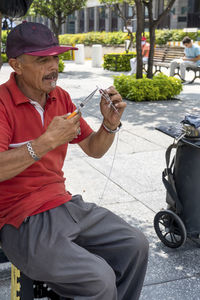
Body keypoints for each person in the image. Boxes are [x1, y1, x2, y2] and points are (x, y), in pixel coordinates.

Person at [0, 22, 149, 300]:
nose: (53, 66)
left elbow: (94, 149)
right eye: (42, 60)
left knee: (135, 244)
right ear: (16, 65)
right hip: (20, 219)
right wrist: (46, 141)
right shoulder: (2, 103)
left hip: (63, 204)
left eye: (56, 57)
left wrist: (109, 124)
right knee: (98, 279)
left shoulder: (61, 97)